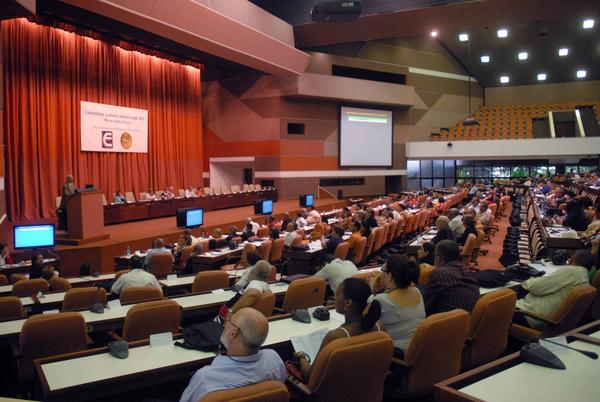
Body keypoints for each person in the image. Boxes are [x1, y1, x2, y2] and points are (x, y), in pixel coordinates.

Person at [179, 308, 286, 402]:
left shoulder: (204, 378)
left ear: (233, 333)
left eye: (229, 321)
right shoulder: (274, 359)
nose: (224, 324)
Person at [294, 277, 383, 381]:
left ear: (348, 302)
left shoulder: (336, 337)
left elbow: (309, 376)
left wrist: (301, 356)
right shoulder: (379, 327)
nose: (334, 298)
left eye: (337, 294)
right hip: (368, 390)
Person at [514, 250, 594, 329]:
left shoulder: (572, 271)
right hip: (543, 319)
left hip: (529, 315)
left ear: (573, 258)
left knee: (503, 301)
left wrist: (527, 280)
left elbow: (536, 287)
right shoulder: (584, 278)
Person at [369, 254, 425, 356]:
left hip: (396, 353)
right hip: (419, 349)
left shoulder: (381, 300)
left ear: (390, 275)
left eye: (384, 271)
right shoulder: (417, 292)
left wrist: (371, 289)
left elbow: (364, 325)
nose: (382, 274)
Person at [423, 240, 480, 315]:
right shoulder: (470, 273)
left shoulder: (438, 274)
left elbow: (425, 307)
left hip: (447, 323)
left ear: (439, 258)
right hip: (471, 320)